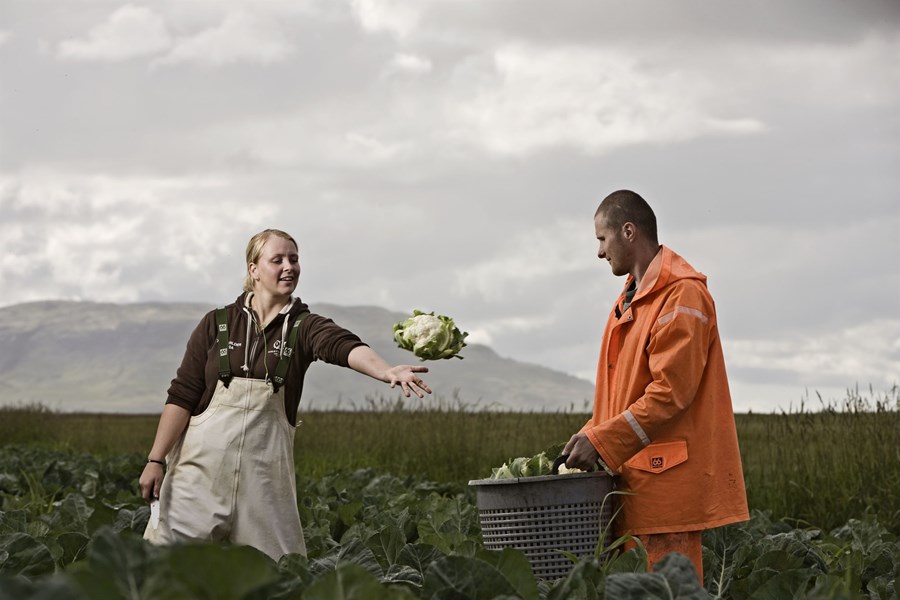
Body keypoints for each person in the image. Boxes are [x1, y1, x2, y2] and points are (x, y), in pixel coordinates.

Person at [139, 228, 431, 560]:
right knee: (160, 570)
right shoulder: (216, 324)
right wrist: (155, 459)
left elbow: (341, 345)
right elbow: (182, 395)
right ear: (253, 269)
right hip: (198, 476)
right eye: (277, 260)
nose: (288, 267)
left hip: (263, 484)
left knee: (279, 578)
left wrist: (385, 370)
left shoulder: (304, 326)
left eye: (293, 258)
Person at [563, 190, 749, 582]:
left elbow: (670, 394)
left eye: (601, 238)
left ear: (628, 231)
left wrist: (600, 443)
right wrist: (586, 437)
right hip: (634, 487)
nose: (599, 252)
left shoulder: (682, 293)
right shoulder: (633, 297)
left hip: (666, 492)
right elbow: (621, 398)